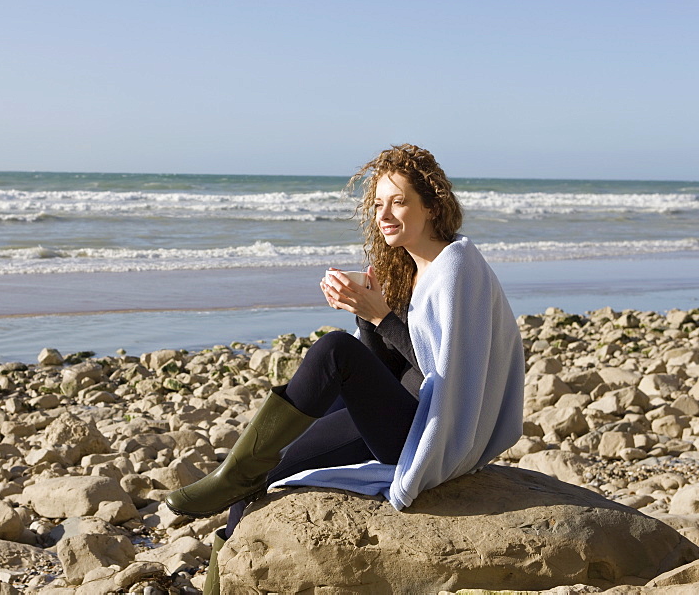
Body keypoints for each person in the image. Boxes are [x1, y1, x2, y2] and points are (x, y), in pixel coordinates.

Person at [166, 144, 525, 595]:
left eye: (399, 202)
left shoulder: (456, 268)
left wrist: (380, 316)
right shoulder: (415, 268)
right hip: (402, 412)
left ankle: (231, 481)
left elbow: (450, 377)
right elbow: (387, 361)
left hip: (429, 431)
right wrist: (365, 312)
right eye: (378, 204)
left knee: (332, 353)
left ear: (432, 205)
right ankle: (226, 542)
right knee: (270, 466)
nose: (385, 214)